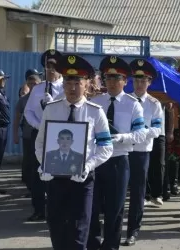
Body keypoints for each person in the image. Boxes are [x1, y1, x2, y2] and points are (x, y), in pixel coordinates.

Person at [35, 54, 113, 249]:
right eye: (68, 81)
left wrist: (88, 166)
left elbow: (106, 146)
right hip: (55, 178)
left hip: (82, 179)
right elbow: (40, 143)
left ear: (86, 84)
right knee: (56, 227)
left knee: (79, 230)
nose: (72, 87)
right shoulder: (51, 110)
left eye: (77, 82)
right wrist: (44, 164)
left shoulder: (95, 111)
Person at [88, 56, 146, 250]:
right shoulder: (95, 102)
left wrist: (121, 137)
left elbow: (140, 134)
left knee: (115, 208)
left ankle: (111, 246)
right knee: (93, 206)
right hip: (95, 159)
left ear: (125, 81)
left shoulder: (133, 104)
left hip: (118, 160)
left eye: (116, 78)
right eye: (108, 78)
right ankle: (93, 244)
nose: (111, 83)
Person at [124, 59, 163, 246]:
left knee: (138, 193)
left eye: (143, 81)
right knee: (118, 192)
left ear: (149, 82)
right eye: (136, 80)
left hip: (140, 152)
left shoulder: (154, 104)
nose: (139, 84)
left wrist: (139, 133)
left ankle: (132, 230)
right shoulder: (125, 101)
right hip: (122, 151)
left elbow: (157, 130)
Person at [24, 49, 65, 221]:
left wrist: (54, 103)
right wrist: (39, 126)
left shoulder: (66, 87)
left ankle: (58, 208)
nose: (50, 70)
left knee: (59, 173)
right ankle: (39, 209)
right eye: (48, 67)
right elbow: (28, 112)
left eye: (54, 67)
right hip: (40, 134)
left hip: (60, 136)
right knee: (38, 173)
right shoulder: (38, 89)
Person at [13, 69, 41, 195]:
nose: (32, 86)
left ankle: (41, 189)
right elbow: (17, 118)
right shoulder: (23, 100)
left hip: (43, 136)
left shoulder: (45, 98)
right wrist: (15, 134)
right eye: (30, 84)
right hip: (28, 136)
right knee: (29, 163)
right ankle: (31, 188)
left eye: (35, 83)